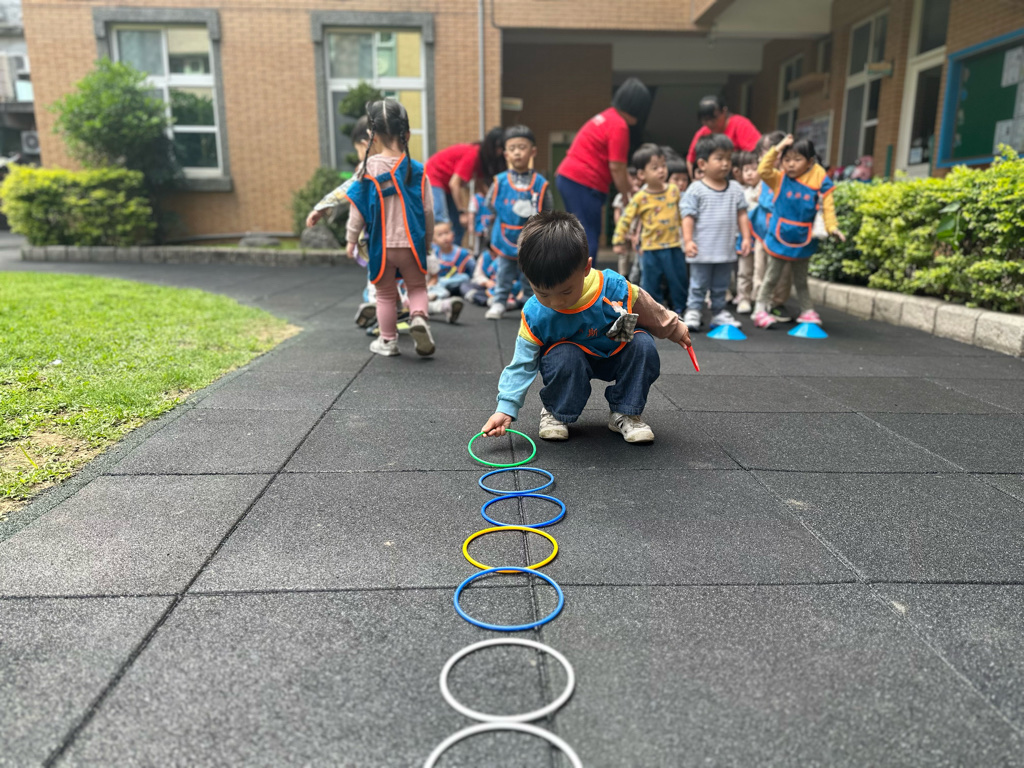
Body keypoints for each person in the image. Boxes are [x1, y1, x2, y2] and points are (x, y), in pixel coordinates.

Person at [479, 211, 693, 445]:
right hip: (569, 361)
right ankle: (556, 412)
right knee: (564, 355)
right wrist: (506, 408)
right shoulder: (536, 313)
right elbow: (522, 363)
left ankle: (625, 412)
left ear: (586, 268)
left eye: (566, 291)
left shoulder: (613, 288)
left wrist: (674, 328)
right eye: (543, 293)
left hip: (614, 351)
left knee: (642, 344)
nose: (556, 302)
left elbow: (649, 309)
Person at [345, 98, 435, 357]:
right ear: (407, 134)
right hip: (411, 243)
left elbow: (357, 209)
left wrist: (351, 240)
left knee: (384, 294)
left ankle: (387, 341)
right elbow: (428, 211)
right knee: (417, 287)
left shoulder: (366, 169)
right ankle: (419, 318)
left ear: (372, 137)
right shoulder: (417, 170)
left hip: (381, 247)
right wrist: (427, 242)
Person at [556, 78, 652, 266]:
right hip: (583, 181)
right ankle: (585, 280)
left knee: (578, 234)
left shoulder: (607, 116)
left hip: (569, 178)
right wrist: (627, 196)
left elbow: (618, 167)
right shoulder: (619, 126)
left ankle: (575, 276)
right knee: (588, 236)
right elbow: (617, 166)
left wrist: (629, 186)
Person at [753, 134, 845, 329]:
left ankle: (807, 310)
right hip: (779, 237)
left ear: (810, 162)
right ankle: (760, 310)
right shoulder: (778, 179)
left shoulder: (819, 182)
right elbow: (763, 169)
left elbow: (828, 208)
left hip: (804, 238)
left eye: (797, 159)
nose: (791, 164)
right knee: (771, 277)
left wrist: (832, 228)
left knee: (801, 279)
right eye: (787, 160)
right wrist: (778, 147)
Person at [679, 134, 751, 331]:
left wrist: (746, 237)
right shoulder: (696, 189)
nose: (725, 163)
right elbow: (687, 217)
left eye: (728, 158)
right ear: (702, 163)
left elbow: (742, 214)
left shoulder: (735, 189)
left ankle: (719, 312)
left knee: (722, 284)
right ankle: (693, 310)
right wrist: (688, 241)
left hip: (725, 249)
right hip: (701, 249)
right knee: (698, 283)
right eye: (719, 158)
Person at [484, 125, 554, 320]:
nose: (517, 152)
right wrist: (488, 233)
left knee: (530, 276)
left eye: (522, 147)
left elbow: (547, 211)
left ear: (533, 151)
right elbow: (490, 206)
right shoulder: (499, 182)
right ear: (506, 154)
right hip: (505, 237)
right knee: (503, 273)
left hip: (531, 239)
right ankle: (499, 302)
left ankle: (532, 306)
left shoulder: (541, 183)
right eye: (512, 148)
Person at [612, 143, 688, 318]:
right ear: (641, 174)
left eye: (663, 166)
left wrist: (687, 238)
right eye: (655, 167)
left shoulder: (674, 191)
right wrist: (618, 240)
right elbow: (626, 218)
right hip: (650, 249)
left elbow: (682, 215)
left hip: (673, 246)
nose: (661, 170)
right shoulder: (640, 197)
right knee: (650, 283)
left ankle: (680, 309)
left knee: (678, 279)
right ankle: (655, 313)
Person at [424, 129, 505, 246]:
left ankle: (454, 252)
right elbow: (454, 184)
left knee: (459, 224)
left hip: (446, 185)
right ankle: (437, 253)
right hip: (433, 176)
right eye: (498, 148)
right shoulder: (473, 154)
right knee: (441, 219)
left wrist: (495, 203)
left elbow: (480, 184)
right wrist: (462, 211)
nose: (500, 152)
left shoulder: (480, 160)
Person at [750, 131, 793, 321]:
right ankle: (760, 302)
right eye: (762, 153)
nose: (762, 158)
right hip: (763, 230)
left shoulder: (785, 177)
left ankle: (777, 303)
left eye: (766, 152)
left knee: (783, 272)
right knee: (760, 268)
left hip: (782, 233)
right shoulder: (767, 175)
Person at [686, 95, 761, 178]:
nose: (709, 123)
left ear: (724, 111)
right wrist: (695, 180)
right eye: (705, 120)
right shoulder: (703, 132)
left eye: (713, 119)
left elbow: (758, 152)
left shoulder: (740, 124)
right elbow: (690, 160)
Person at [731, 150, 759, 315]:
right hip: (745, 238)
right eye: (746, 170)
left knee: (760, 271)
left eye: (754, 169)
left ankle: (758, 298)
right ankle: (744, 298)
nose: (749, 173)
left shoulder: (765, 190)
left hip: (762, 238)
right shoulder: (740, 192)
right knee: (744, 270)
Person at [611, 166, 641, 278]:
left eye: (637, 179)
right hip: (624, 230)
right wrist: (621, 231)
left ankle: (635, 277)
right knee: (623, 255)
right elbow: (617, 214)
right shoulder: (620, 196)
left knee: (637, 254)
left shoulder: (641, 196)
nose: (635, 182)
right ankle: (623, 276)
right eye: (632, 179)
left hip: (636, 231)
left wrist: (636, 233)